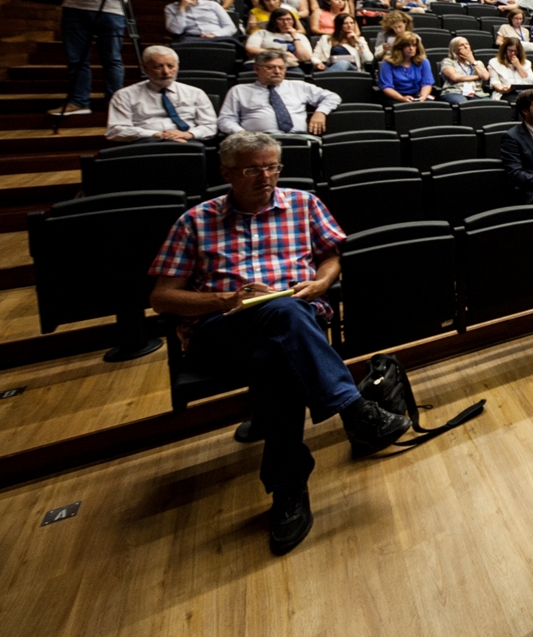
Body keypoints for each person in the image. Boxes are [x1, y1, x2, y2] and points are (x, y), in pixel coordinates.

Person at [149, 131, 411, 555]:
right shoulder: (196, 220)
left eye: (273, 167)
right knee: (282, 314)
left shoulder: (303, 204)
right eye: (254, 168)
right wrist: (224, 299)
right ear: (228, 173)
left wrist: (322, 281)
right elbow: (162, 296)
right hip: (221, 327)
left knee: (276, 357)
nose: (266, 176)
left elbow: (333, 256)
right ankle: (355, 411)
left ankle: (289, 492)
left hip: (293, 326)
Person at [105, 45, 219, 142]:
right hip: (146, 143)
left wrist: (188, 134)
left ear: (178, 66)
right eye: (158, 66)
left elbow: (210, 126)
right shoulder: (124, 95)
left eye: (170, 66)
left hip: (189, 141)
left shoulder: (195, 93)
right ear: (145, 68)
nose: (166, 72)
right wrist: (157, 134)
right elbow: (115, 130)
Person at [218, 51, 341, 135]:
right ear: (256, 69)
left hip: (299, 139)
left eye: (281, 68)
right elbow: (225, 119)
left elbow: (332, 97)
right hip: (259, 143)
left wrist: (320, 112)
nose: (277, 71)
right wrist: (242, 133)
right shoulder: (239, 90)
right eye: (270, 67)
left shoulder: (299, 86)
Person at [164, 0, 238, 42]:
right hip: (191, 39)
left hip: (218, 38)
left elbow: (231, 28)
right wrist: (182, 8)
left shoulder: (212, 5)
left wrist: (214, 34)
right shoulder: (170, 8)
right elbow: (176, 31)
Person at [246, 8, 314, 69]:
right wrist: (281, 53)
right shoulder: (261, 33)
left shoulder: (300, 36)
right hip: (263, 64)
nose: (285, 22)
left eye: (288, 19)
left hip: (290, 65)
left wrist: (295, 38)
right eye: (281, 19)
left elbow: (305, 58)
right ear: (274, 21)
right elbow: (251, 49)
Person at [378, 33, 434, 103]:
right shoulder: (388, 64)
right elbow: (387, 87)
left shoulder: (424, 62)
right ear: (400, 47)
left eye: (414, 45)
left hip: (416, 95)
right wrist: (402, 98)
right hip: (395, 97)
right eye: (407, 45)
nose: (411, 48)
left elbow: (427, 83)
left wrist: (422, 97)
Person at [439, 36, 490, 103]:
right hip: (455, 91)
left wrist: (472, 61)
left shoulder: (478, 63)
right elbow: (454, 77)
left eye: (467, 44)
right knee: (464, 103)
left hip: (476, 92)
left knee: (487, 103)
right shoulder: (448, 61)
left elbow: (485, 77)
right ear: (454, 49)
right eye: (461, 45)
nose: (466, 47)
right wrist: (477, 77)